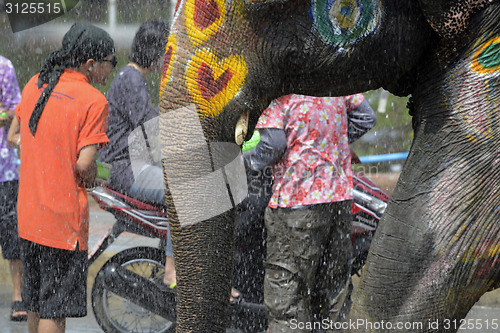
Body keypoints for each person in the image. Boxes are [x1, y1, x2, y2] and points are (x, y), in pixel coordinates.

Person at [7, 22, 115, 333]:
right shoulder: (94, 101)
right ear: (91, 64)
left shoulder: (35, 84)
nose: (111, 70)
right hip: (63, 224)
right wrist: (95, 175)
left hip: (29, 217)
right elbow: (83, 167)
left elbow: (15, 134)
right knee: (54, 310)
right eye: (110, 62)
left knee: (36, 304)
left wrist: (44, 152)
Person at [243, 94, 376, 332]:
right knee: (333, 293)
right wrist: (331, 144)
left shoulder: (281, 91)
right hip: (339, 202)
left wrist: (242, 162)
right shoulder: (334, 82)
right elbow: (366, 117)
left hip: (296, 205)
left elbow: (272, 145)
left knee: (288, 299)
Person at [98, 20, 177, 289]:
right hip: (125, 169)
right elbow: (150, 131)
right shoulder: (132, 80)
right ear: (156, 53)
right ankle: (171, 270)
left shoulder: (129, 78)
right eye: (166, 53)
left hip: (125, 166)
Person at [0, 55, 26, 322]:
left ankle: (18, 294)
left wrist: (3, 114)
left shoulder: (4, 66)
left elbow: (15, 110)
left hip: (4, 168)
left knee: (11, 232)